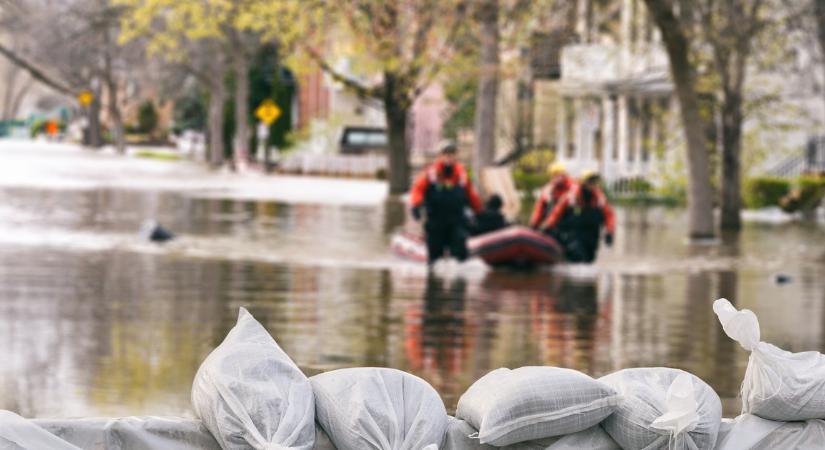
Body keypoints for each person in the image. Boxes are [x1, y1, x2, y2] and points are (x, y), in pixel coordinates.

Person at [410, 141, 482, 264]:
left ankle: (459, 280)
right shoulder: (431, 173)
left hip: (456, 221)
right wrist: (416, 205)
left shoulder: (462, 174)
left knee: (460, 255)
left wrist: (480, 212)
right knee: (434, 259)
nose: (450, 157)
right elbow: (417, 190)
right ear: (440, 156)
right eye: (446, 153)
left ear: (456, 156)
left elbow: (471, 195)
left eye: (452, 153)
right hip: (436, 221)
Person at [540, 170, 615, 263]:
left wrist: (610, 232)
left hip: (592, 237)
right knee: (578, 257)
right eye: (590, 181)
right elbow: (556, 214)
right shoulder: (571, 197)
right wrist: (547, 227)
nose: (593, 185)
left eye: (594, 182)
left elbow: (609, 215)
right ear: (583, 183)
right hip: (573, 236)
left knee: (589, 261)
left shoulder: (600, 199)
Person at [528, 162, 574, 229]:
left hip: (566, 224)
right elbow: (539, 207)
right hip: (552, 224)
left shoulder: (572, 188)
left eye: (559, 174)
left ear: (564, 174)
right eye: (554, 174)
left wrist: (548, 224)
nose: (557, 177)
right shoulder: (549, 189)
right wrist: (534, 224)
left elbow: (560, 207)